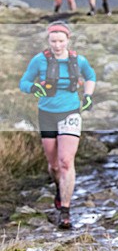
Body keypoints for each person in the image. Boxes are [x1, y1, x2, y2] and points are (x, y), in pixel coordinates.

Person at [19, 21, 96, 229]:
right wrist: (34, 87)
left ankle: (65, 210)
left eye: (61, 41)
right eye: (53, 41)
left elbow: (91, 76)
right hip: (47, 114)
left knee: (65, 162)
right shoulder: (39, 60)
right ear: (48, 40)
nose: (57, 45)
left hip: (71, 112)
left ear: (67, 40)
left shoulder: (78, 60)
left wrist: (88, 96)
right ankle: (59, 188)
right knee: (53, 165)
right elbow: (23, 83)